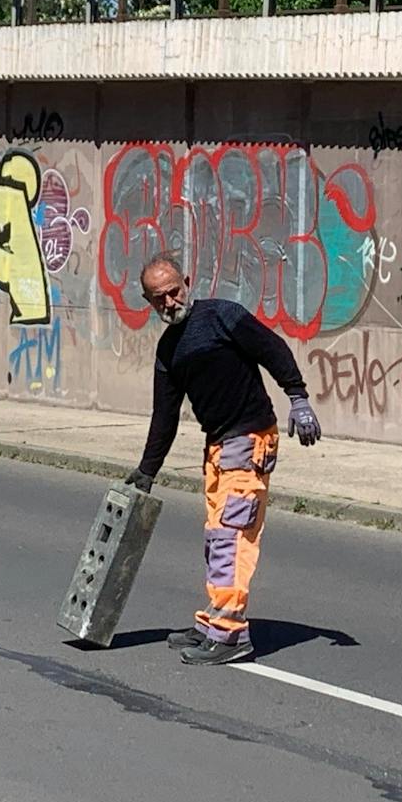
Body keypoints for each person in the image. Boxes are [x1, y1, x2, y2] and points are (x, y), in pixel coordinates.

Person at [126, 252, 322, 666]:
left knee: (232, 540)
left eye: (174, 292)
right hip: (217, 447)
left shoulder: (222, 316)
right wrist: (146, 472)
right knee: (217, 538)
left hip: (250, 440)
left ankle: (230, 635)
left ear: (187, 282)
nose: (170, 302)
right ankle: (215, 621)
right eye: (159, 298)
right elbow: (164, 418)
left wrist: (298, 398)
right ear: (148, 301)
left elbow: (272, 349)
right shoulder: (168, 350)